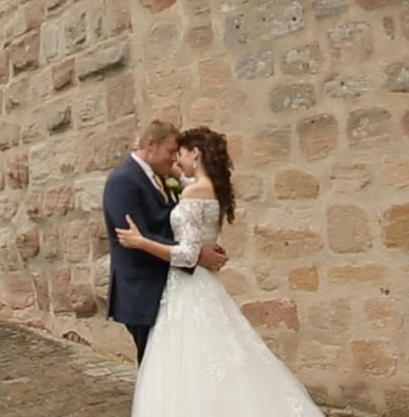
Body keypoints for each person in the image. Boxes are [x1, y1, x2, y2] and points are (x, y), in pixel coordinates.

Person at [114, 126, 325, 416]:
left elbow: (188, 254)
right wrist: (177, 174)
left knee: (186, 361)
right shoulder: (208, 187)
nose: (177, 160)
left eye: (182, 154)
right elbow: (188, 184)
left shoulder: (192, 191)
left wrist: (141, 241)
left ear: (195, 154)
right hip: (204, 283)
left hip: (187, 286)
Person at [103, 120, 227, 363]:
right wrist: (196, 255)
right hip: (143, 289)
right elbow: (135, 235)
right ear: (151, 144)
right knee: (155, 363)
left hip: (170, 285)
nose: (174, 160)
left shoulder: (161, 177)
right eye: (171, 152)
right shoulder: (123, 180)